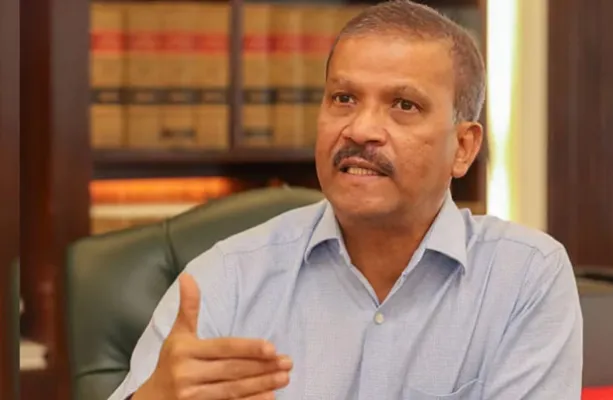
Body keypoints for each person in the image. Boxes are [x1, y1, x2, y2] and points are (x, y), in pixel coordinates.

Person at [110, 1, 583, 399]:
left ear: (463, 147)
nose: (360, 129)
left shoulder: (524, 278)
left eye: (404, 105)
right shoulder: (226, 278)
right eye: (343, 98)